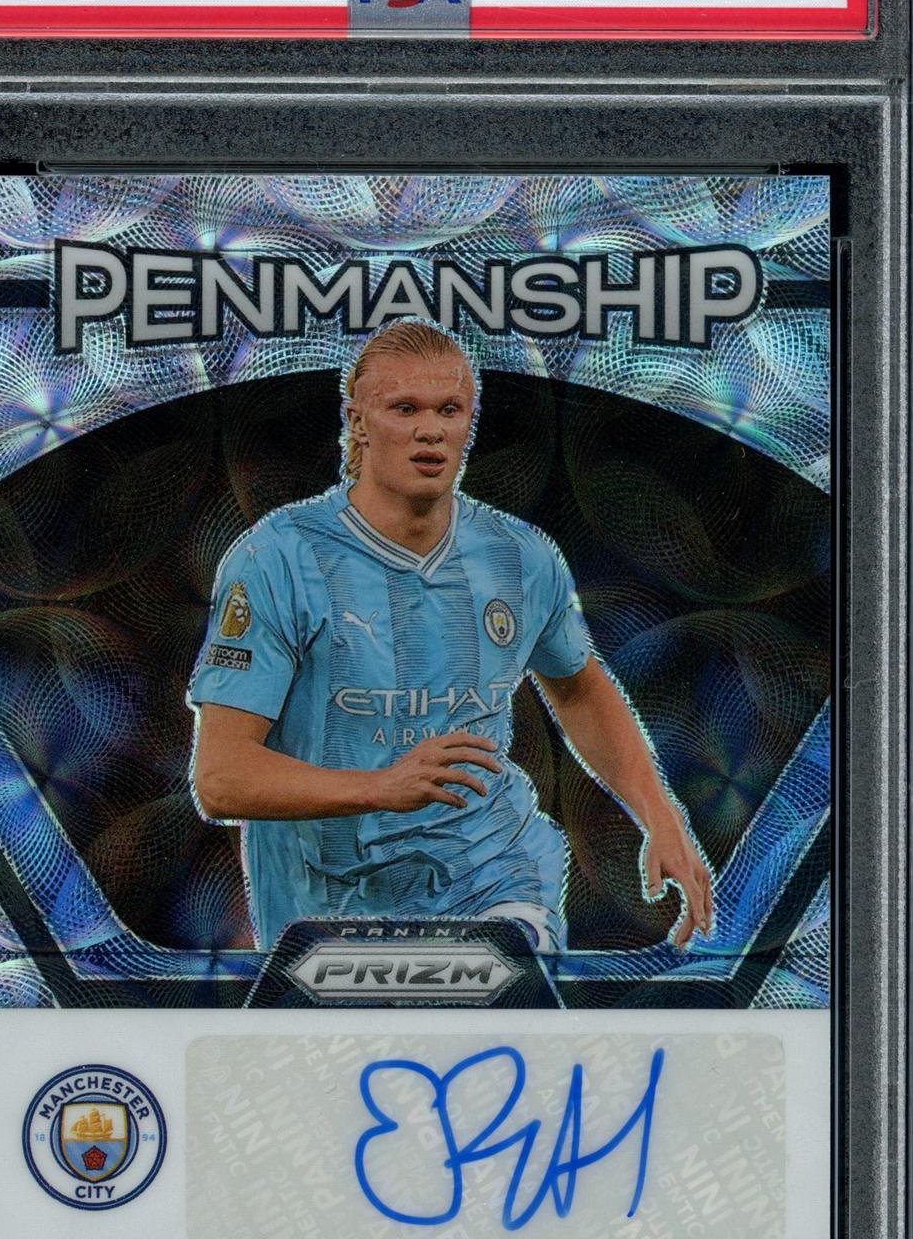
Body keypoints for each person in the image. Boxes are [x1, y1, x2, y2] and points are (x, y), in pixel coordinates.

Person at [187, 320, 711, 954]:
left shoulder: (521, 557)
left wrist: (659, 813)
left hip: (494, 870)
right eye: (404, 409)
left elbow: (578, 687)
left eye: (449, 410)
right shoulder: (277, 559)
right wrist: (381, 788)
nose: (430, 430)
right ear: (357, 421)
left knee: (506, 985)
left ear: (469, 423)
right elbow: (221, 778)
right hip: (327, 904)